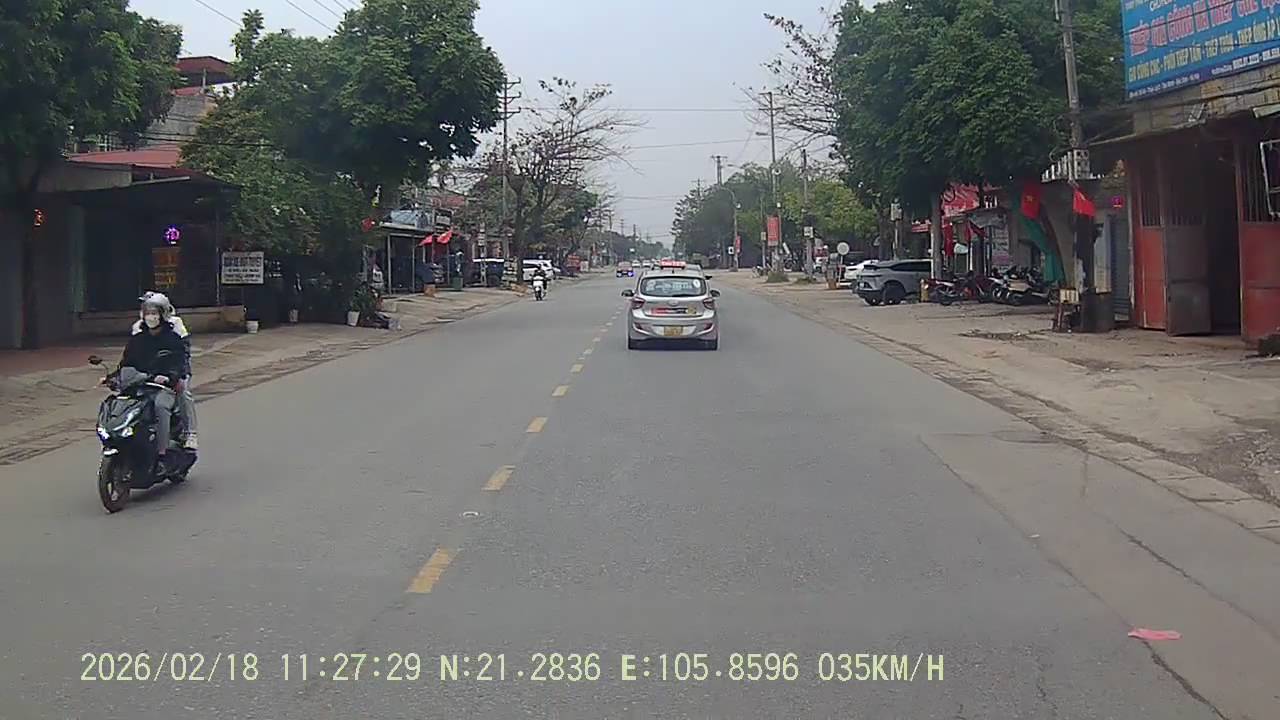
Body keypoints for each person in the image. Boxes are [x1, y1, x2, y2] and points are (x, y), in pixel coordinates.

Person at [120, 294, 188, 469]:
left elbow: (179, 362)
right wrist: (113, 377)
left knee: (160, 406)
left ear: (163, 315)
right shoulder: (137, 340)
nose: (151, 317)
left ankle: (162, 453)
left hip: (163, 387)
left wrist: (170, 377)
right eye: (148, 313)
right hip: (141, 385)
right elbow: (126, 363)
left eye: (154, 313)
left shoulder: (172, 339)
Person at [133, 292, 197, 450]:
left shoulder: (175, 324)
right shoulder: (138, 327)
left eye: (154, 310)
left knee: (183, 393)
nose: (150, 315)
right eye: (147, 309)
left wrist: (177, 375)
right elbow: (133, 354)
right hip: (149, 373)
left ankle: (190, 433)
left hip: (173, 371)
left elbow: (183, 351)